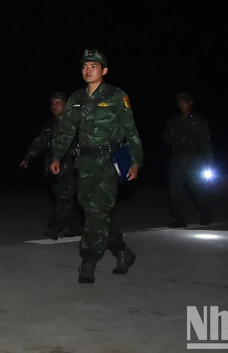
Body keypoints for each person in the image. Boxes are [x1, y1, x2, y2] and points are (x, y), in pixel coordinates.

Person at [49, 49, 143, 284]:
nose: (88, 70)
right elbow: (66, 131)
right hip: (85, 162)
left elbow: (130, 130)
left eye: (93, 66)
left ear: (104, 71)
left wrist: (136, 160)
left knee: (96, 214)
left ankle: (88, 261)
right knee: (93, 212)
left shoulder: (116, 95)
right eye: (84, 66)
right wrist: (56, 157)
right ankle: (122, 250)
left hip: (109, 163)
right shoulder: (76, 98)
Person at [20, 92, 83, 240]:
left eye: (58, 103)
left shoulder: (74, 123)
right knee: (64, 199)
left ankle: (54, 228)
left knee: (65, 199)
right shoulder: (49, 124)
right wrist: (28, 158)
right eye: (52, 103)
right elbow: (40, 142)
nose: (54, 106)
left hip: (72, 168)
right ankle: (76, 227)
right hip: (53, 168)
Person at [163, 91, 214, 228]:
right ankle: (180, 218)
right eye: (180, 102)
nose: (182, 104)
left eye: (184, 101)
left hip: (195, 160)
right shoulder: (173, 121)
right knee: (175, 190)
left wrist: (209, 162)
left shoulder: (198, 120)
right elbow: (166, 138)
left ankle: (206, 213)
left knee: (199, 189)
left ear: (190, 103)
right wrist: (172, 136)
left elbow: (205, 142)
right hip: (177, 160)